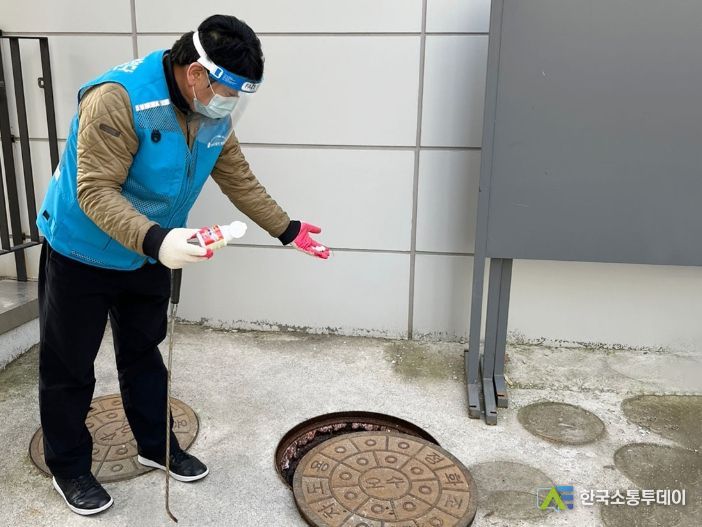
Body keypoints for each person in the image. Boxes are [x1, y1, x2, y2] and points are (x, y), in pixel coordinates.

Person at [36, 14, 329, 516]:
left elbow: (237, 177)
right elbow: (95, 190)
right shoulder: (118, 99)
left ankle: (157, 446)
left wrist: (286, 228)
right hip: (82, 251)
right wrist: (159, 241)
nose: (228, 104)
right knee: (69, 366)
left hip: (153, 249)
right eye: (227, 91)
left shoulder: (207, 111)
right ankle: (69, 468)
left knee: (144, 353)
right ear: (196, 73)